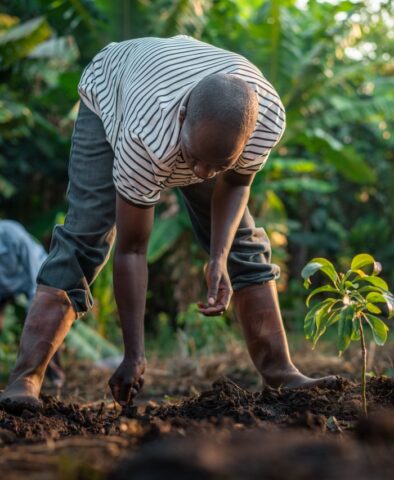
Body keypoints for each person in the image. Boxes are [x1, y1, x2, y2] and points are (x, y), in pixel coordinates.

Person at [0, 36, 337, 412]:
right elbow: (132, 249)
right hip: (113, 88)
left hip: (192, 110)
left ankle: (280, 371)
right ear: (182, 118)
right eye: (194, 159)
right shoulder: (146, 136)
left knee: (243, 242)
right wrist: (134, 355)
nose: (200, 174)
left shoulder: (266, 119)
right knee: (85, 239)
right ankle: (24, 378)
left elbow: (237, 183)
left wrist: (218, 258)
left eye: (216, 166)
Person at [0, 220, 64, 386]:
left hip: (33, 276)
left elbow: (33, 271)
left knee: (42, 325)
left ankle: (53, 373)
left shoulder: (12, 235)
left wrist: (35, 307)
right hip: (5, 285)